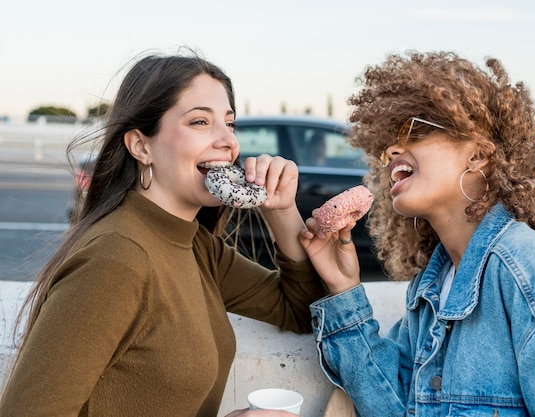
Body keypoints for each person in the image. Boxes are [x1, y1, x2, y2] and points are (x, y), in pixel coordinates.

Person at [299, 51, 535, 416]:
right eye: (386, 144)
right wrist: (344, 290)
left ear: (477, 155)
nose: (390, 151)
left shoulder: (528, 270)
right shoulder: (432, 286)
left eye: (413, 130)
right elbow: (395, 407)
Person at [0, 51, 326, 417]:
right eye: (200, 122)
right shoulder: (116, 258)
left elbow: (306, 310)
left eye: (230, 124)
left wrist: (282, 210)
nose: (228, 142)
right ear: (141, 146)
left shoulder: (196, 245)